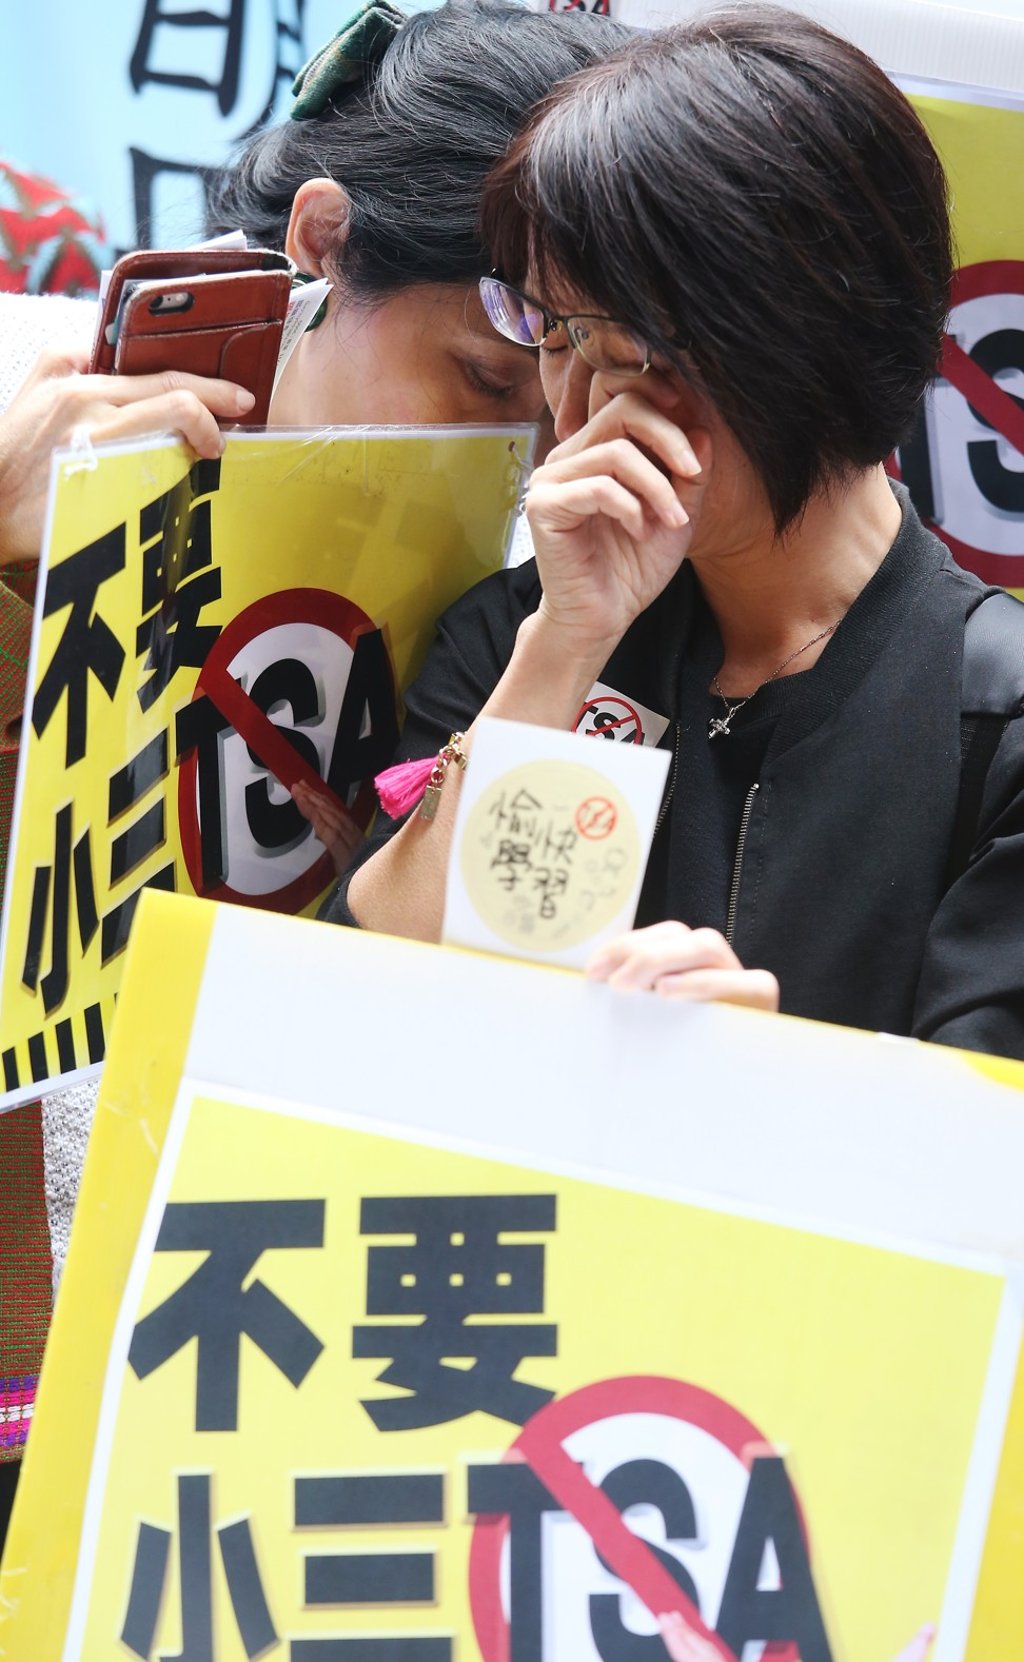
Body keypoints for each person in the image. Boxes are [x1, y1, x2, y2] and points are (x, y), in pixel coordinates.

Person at [0, 0, 628, 1554]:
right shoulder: (41, 424)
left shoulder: (571, 571)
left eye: (569, 403)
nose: (525, 460)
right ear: (322, 243)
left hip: (283, 1368)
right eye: (484, 382)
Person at [323, 3, 1024, 1060]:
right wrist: (565, 646)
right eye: (552, 331)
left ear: (816, 336)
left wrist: (772, 1080)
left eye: (633, 346)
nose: (575, 410)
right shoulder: (521, 635)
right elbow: (357, 1005)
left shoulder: (994, 722)